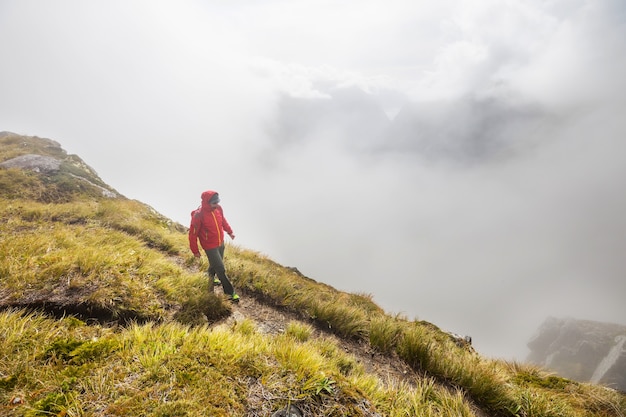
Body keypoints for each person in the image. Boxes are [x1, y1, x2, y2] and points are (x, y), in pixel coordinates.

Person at [188, 190, 239, 302]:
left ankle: (210, 278)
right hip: (209, 245)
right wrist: (195, 250)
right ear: (207, 202)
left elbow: (223, 221)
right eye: (214, 203)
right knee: (220, 269)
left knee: (214, 264)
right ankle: (230, 293)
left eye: (218, 202)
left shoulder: (218, 208)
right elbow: (193, 234)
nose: (217, 205)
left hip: (220, 242)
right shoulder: (198, 215)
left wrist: (230, 232)